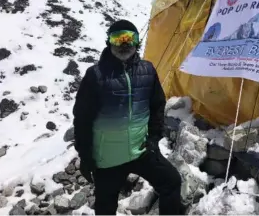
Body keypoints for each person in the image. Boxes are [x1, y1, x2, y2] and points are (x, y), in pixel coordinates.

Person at [72, 20, 183, 215]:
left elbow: (157, 105)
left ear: (137, 42)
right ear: (109, 41)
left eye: (130, 38)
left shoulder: (147, 70)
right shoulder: (96, 76)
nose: (124, 44)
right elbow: (82, 119)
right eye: (118, 38)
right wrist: (86, 155)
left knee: (171, 181)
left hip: (140, 150)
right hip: (107, 159)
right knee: (105, 207)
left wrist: (154, 138)